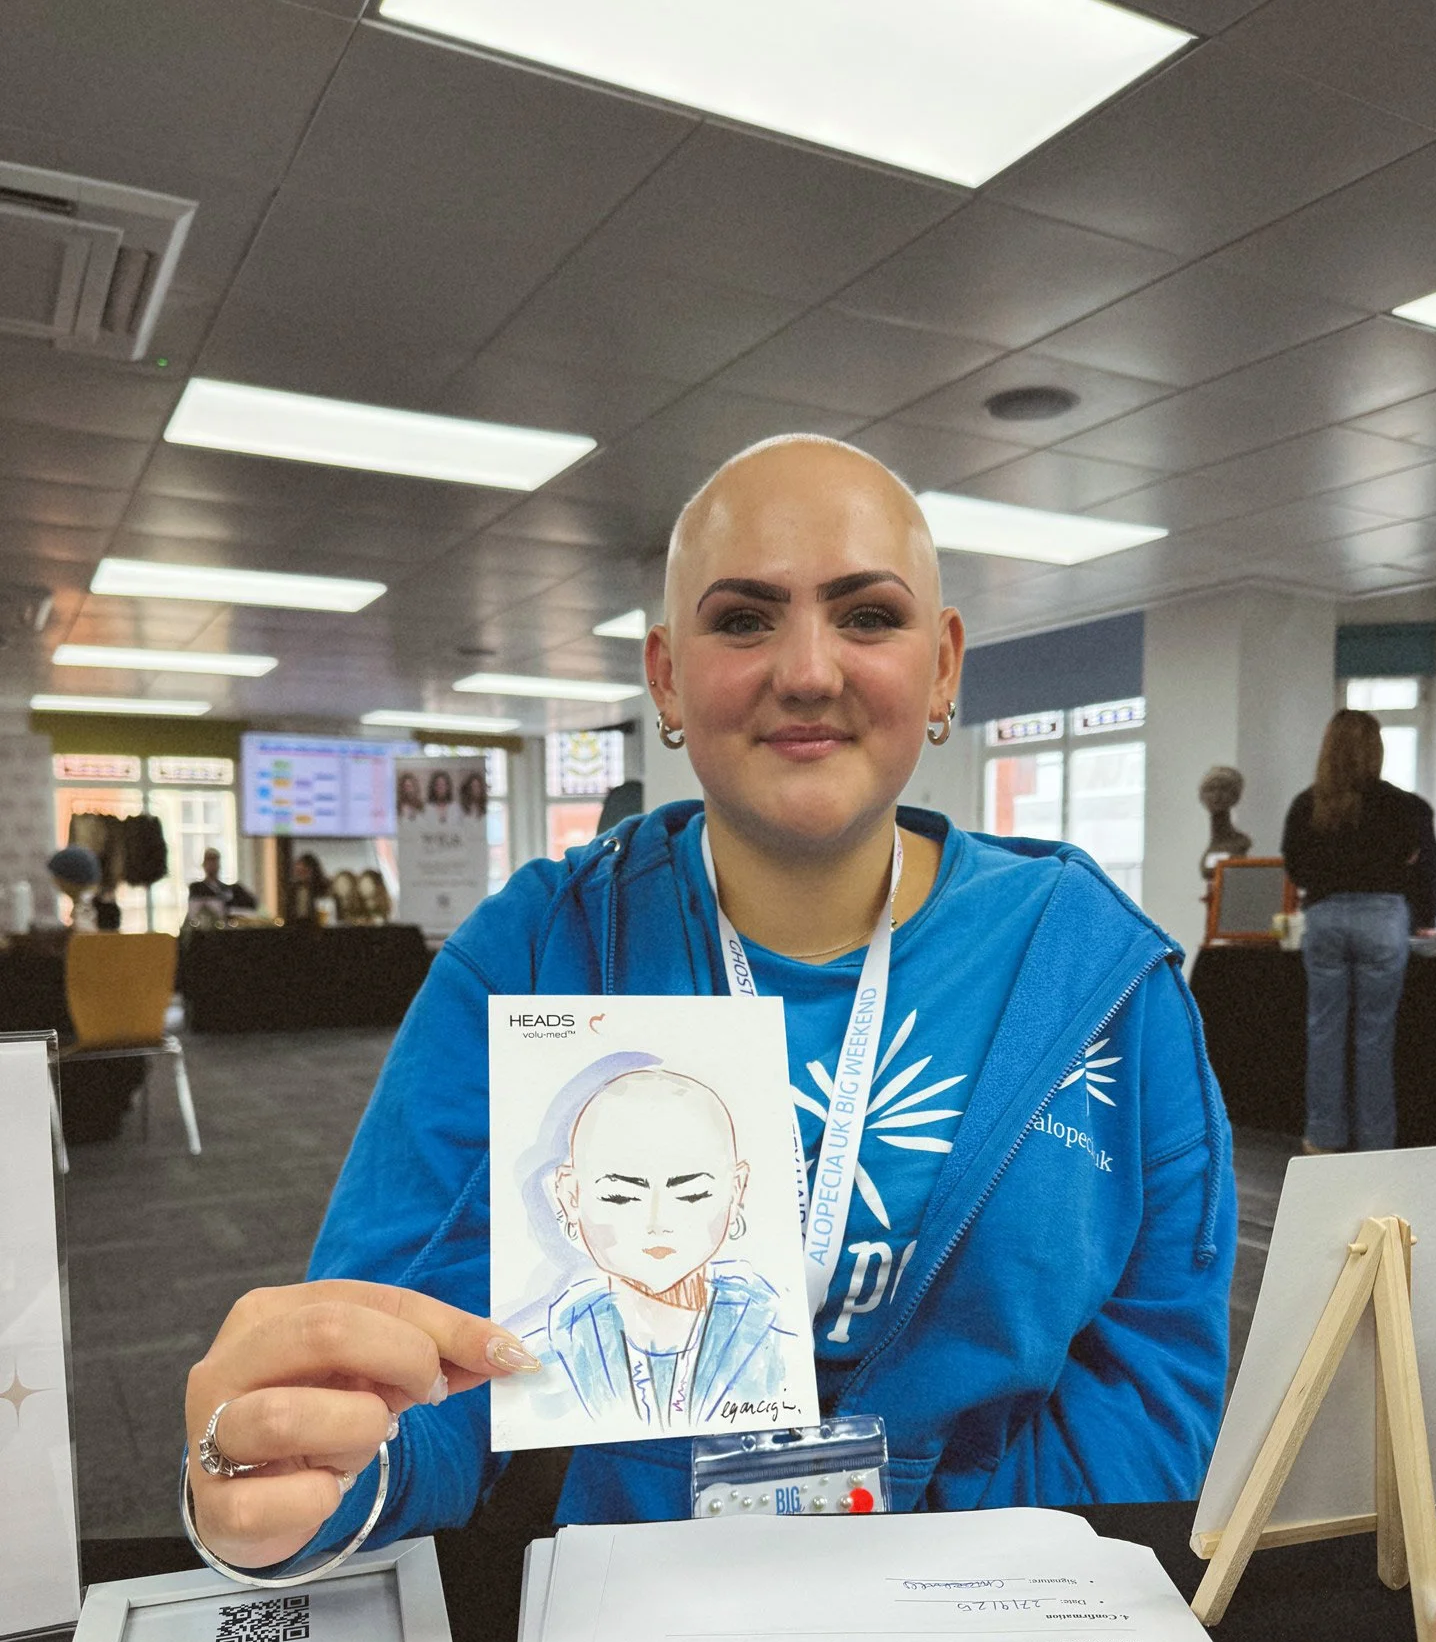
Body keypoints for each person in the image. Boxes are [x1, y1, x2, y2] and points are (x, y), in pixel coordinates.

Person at [183, 434, 1235, 1577]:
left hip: (1004, 1613)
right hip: (646, 1614)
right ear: (668, 676)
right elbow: (418, 1355)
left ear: (942, 668)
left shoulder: (1094, 974)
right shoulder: (539, 952)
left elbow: (1153, 1376)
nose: (809, 670)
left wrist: (963, 1583)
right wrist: (320, 1467)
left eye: (867, 617)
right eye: (743, 619)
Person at [537, 1066, 792, 1430]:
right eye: (621, 1195)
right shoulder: (550, 1349)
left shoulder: (777, 1337)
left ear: (736, 1190)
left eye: (691, 1193)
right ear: (570, 1194)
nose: (656, 1221)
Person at [1282, 709, 1436, 1154]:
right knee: (1375, 1036)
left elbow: (1295, 868)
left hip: (1326, 919)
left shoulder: (1305, 805)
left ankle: (1323, 1137)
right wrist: (1421, 918)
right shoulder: (1407, 806)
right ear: (1378, 750)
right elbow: (1428, 869)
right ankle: (1375, 1141)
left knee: (1324, 1031)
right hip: (1383, 921)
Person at [187, 847, 257, 916]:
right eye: (209, 860)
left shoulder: (230, 889)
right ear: (204, 864)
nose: (212, 864)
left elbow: (252, 903)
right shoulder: (197, 888)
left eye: (214, 861)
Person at [47, 844, 101, 931]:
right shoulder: (85, 902)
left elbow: (85, 935)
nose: (55, 883)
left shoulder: (88, 907)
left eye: (57, 877)